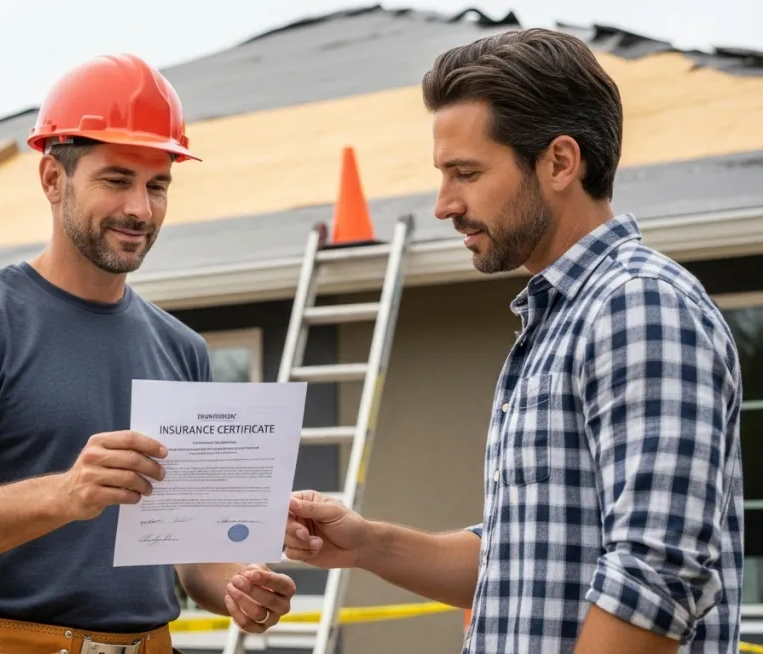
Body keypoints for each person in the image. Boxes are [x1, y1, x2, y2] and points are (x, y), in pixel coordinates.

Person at [283, 28, 744, 654]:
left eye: (466, 172)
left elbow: (655, 579)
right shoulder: (562, 318)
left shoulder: (639, 306)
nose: (445, 204)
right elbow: (519, 560)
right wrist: (368, 544)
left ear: (559, 161)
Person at [0, 53, 297, 654]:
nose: (141, 208)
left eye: (157, 185)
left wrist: (242, 587)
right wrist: (66, 494)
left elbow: (198, 556)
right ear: (53, 179)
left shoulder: (182, 350)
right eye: (117, 180)